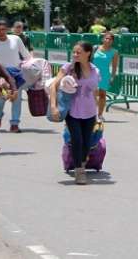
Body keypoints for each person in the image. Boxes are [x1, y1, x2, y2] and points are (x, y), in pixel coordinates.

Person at [49, 41, 100, 185]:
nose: (75, 54)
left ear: (88, 53)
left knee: (86, 141)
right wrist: (53, 106)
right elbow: (54, 85)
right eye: (74, 52)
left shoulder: (95, 70)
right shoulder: (68, 68)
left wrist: (100, 113)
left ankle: (82, 163)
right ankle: (79, 171)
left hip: (90, 110)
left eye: (79, 52)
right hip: (72, 109)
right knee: (77, 139)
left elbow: (94, 91)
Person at [0, 20, 31, 133]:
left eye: (3, 29)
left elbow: (26, 55)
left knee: (16, 100)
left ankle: (15, 123)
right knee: (1, 100)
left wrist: (31, 66)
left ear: (7, 29)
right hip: (1, 77)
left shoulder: (16, 39)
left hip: (16, 74)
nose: (1, 32)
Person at [93, 31, 119, 121]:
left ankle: (100, 114)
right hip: (93, 74)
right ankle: (92, 113)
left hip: (105, 75)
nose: (108, 40)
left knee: (102, 95)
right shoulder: (95, 48)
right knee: (93, 93)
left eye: (110, 39)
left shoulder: (114, 52)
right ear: (103, 39)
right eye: (106, 38)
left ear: (112, 41)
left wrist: (112, 77)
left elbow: (115, 66)